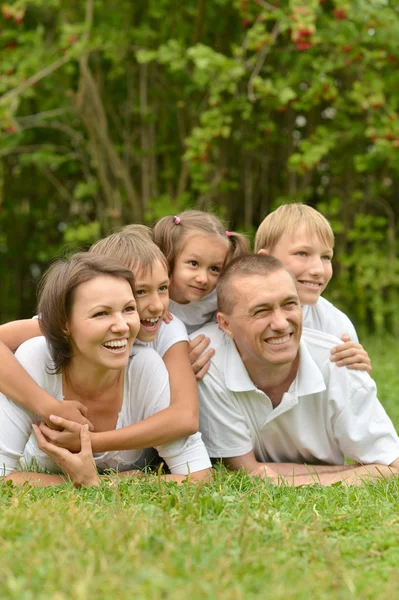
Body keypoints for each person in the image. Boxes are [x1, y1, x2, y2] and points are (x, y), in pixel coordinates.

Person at [0, 253, 211, 486]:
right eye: (101, 313)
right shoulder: (37, 358)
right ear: (64, 324)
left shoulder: (145, 367)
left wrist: (106, 483)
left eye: (129, 309)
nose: (122, 326)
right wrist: (78, 482)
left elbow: (199, 475)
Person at [194, 254, 399, 486]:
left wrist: (286, 481)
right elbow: (246, 470)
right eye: (261, 311)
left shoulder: (340, 362)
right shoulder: (207, 363)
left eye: (290, 304)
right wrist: (352, 473)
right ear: (225, 324)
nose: (281, 323)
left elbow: (392, 467)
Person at [254, 202, 371, 372]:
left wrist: (359, 373)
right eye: (302, 253)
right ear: (265, 260)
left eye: (326, 257)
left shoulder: (336, 326)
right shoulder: (233, 313)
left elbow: (350, 392)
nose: (318, 270)